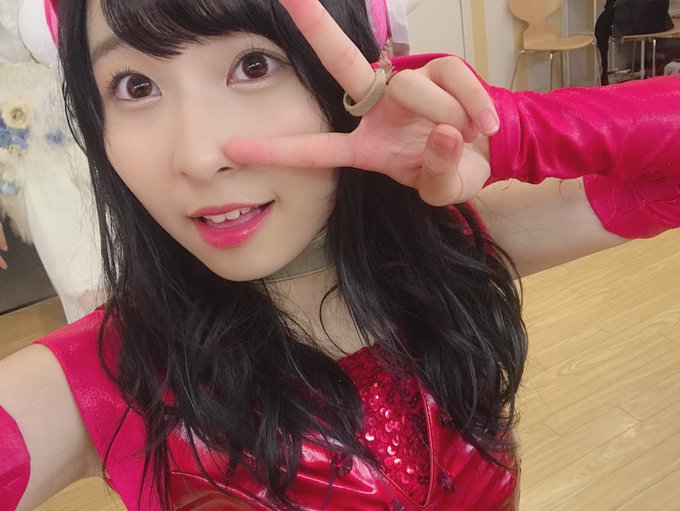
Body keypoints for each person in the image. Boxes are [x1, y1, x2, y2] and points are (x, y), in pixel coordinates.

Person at [0, 0, 679, 510]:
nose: (199, 157)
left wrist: (514, 133)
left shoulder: (450, 249)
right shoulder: (99, 382)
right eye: (135, 86)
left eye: (254, 65)